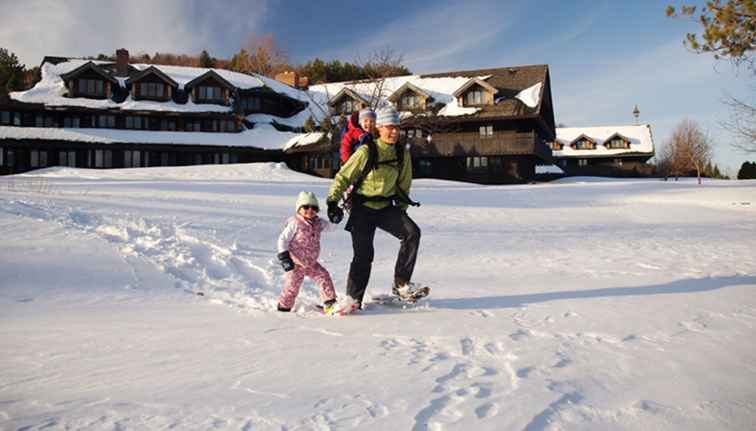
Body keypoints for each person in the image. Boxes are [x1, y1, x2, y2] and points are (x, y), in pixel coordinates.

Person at [326, 107, 423, 314]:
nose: (394, 132)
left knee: (412, 233)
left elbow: (404, 183)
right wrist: (332, 202)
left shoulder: (401, 153)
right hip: (362, 208)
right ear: (379, 128)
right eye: (390, 127)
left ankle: (402, 285)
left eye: (397, 128)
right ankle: (353, 299)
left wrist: (402, 209)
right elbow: (344, 176)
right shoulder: (366, 151)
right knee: (364, 255)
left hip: (386, 207)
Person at [276, 191, 338, 314]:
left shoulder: (319, 222)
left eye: (314, 208)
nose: (310, 210)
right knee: (292, 287)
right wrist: (284, 258)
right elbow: (282, 240)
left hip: (311, 263)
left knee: (324, 278)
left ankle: (330, 303)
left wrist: (335, 218)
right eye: (306, 207)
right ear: (299, 209)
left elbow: (331, 228)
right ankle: (284, 307)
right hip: (296, 264)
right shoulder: (295, 223)